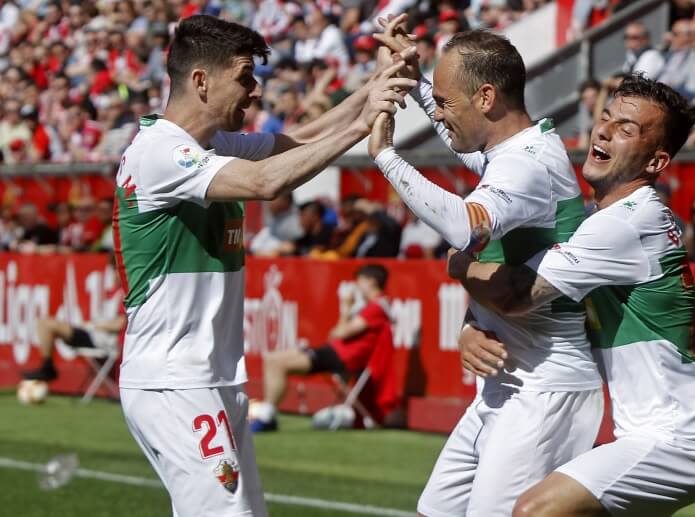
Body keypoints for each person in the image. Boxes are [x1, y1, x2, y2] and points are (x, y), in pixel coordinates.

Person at [113, 15, 415, 517]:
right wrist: (365, 125)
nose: (255, 92)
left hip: (210, 379)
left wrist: (377, 83)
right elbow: (263, 183)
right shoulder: (160, 153)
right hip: (176, 383)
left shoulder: (208, 146)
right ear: (201, 81)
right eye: (245, 78)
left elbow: (297, 140)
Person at [448, 74, 695, 517]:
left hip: (677, 439)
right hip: (650, 432)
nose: (604, 131)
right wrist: (472, 325)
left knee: (535, 511)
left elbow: (518, 294)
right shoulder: (605, 222)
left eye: (627, 129)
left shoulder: (624, 224)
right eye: (606, 118)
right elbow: (540, 301)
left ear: (656, 163)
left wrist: (458, 261)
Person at [371, 22, 603, 516]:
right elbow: (457, 128)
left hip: (544, 389)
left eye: (448, 103)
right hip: (509, 380)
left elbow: (463, 227)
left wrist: (386, 157)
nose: (440, 115)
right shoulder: (515, 151)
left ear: (487, 97)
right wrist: (418, 85)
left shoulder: (526, 165)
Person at [258, 264, 398, 430]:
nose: (356, 286)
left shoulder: (376, 307)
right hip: (337, 352)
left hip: (343, 358)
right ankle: (267, 413)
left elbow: (340, 333)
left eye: (359, 281)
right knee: (272, 358)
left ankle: (266, 417)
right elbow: (336, 334)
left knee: (277, 362)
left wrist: (345, 308)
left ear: (371, 281)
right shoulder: (373, 306)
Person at [22, 255, 125, 381]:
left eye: (115, 270)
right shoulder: (113, 292)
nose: (112, 274)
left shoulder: (123, 294)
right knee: (44, 322)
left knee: (46, 324)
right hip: (93, 335)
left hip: (101, 340)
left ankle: (47, 368)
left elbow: (120, 324)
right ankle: (47, 366)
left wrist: (93, 325)